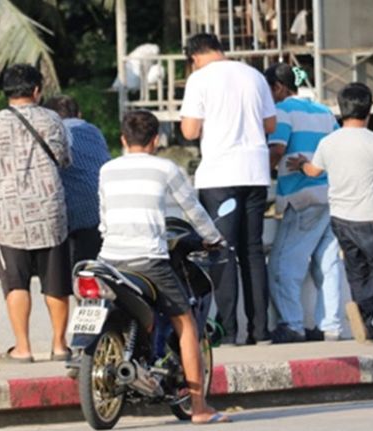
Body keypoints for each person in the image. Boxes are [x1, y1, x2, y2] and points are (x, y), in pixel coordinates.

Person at [98, 110, 230, 424]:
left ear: (123, 140)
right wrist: (212, 238)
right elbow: (193, 210)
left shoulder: (107, 169)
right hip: (149, 261)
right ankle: (199, 409)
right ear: (156, 140)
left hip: (108, 260)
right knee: (187, 324)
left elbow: (104, 216)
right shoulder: (165, 168)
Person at [0, 64, 73, 362]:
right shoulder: (52, 119)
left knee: (16, 282)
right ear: (37, 90)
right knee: (56, 283)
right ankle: (60, 345)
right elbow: (64, 160)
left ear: (6, 92)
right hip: (50, 214)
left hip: (9, 217)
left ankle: (23, 348)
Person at [287, 82, 373, 344]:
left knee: (357, 272)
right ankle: (362, 308)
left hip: (340, 220)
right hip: (370, 219)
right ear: (369, 110)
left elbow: (313, 172)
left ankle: (365, 327)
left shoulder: (328, 142)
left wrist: (301, 164)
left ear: (340, 110)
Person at [180, 33, 277, 345]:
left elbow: (190, 129)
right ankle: (260, 331)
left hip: (220, 176)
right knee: (252, 251)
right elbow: (270, 125)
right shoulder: (254, 75)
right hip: (256, 172)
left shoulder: (199, 79)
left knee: (223, 251)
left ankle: (228, 331)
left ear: (193, 57)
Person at [264, 63, 344, 344]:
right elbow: (337, 148)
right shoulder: (323, 111)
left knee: (283, 265)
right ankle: (331, 327)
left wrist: (259, 174)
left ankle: (293, 324)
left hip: (302, 196)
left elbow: (277, 149)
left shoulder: (282, 111)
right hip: (330, 194)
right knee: (327, 264)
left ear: (278, 88)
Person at [43, 95, 111, 267]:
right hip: (102, 210)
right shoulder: (94, 131)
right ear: (79, 114)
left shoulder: (52, 134)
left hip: (73, 215)